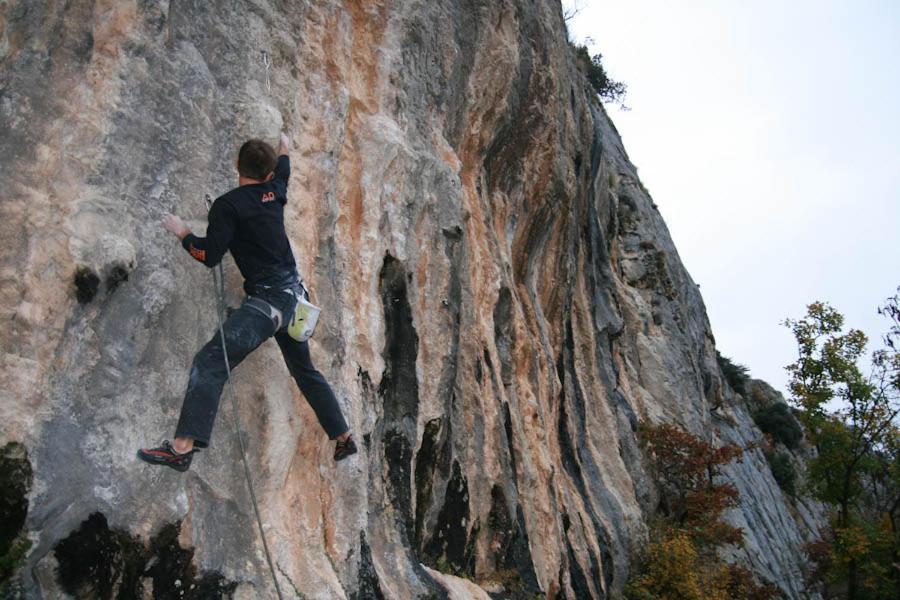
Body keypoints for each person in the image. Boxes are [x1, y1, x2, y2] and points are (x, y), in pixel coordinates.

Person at [138, 133, 356, 472]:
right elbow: (285, 166)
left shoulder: (229, 206)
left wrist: (182, 233)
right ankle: (343, 437)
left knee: (210, 360)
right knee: (305, 371)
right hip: (296, 301)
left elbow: (208, 255)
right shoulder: (276, 192)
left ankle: (181, 448)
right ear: (268, 175)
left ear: (237, 166)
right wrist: (285, 144)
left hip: (267, 305)